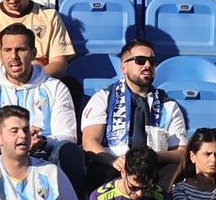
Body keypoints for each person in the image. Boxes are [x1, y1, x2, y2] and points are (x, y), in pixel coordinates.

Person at [0, 24, 78, 182]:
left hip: (43, 154)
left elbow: (68, 134)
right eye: (7, 50)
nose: (14, 56)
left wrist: (42, 142)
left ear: (33, 53)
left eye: (21, 49)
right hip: (1, 154)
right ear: (1, 54)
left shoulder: (55, 87)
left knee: (68, 150)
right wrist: (16, 141)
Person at [78, 38, 188, 185]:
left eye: (152, 61)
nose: (148, 65)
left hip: (154, 168)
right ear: (123, 67)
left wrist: (156, 156)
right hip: (114, 167)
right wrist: (113, 160)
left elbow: (181, 153)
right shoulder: (104, 98)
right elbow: (89, 143)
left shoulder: (168, 105)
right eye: (140, 60)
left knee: (175, 170)